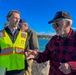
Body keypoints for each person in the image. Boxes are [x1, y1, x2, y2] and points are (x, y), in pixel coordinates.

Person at [25, 11, 76, 75]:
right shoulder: (54, 40)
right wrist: (37, 55)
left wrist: (71, 66)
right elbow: (46, 55)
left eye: (56, 24)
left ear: (68, 24)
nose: (55, 28)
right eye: (53, 25)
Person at [0, 10, 29, 75]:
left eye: (18, 18)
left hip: (20, 69)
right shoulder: (0, 34)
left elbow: (26, 51)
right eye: (15, 18)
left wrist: (26, 65)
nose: (17, 20)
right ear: (8, 18)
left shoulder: (24, 34)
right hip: (4, 69)